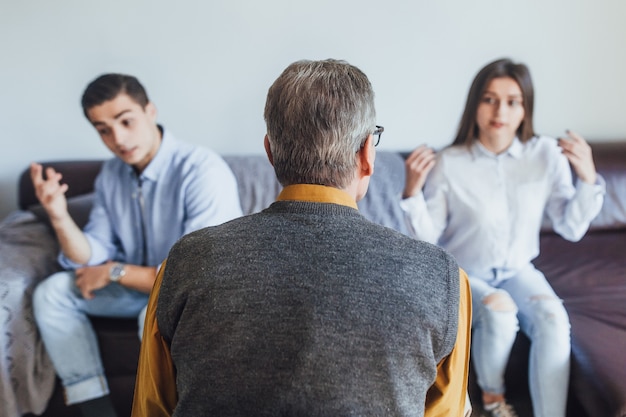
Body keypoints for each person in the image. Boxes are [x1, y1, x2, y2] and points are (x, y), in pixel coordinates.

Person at [131, 59, 472, 417]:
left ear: (271, 153)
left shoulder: (184, 262)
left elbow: (151, 410)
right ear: (366, 154)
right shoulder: (443, 277)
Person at [401, 58, 605, 417]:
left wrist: (587, 178)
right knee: (499, 311)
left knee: (554, 320)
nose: (501, 111)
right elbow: (427, 239)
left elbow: (571, 228)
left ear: (525, 107)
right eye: (490, 99)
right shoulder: (449, 162)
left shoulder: (546, 155)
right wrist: (412, 192)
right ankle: (493, 402)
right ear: (475, 104)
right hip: (467, 274)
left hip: (518, 270)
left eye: (513, 101)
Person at [31, 73, 243, 417]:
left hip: (187, 294)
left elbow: (196, 273)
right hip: (136, 288)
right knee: (52, 292)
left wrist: (115, 271)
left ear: (150, 111)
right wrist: (58, 215)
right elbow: (90, 253)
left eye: (126, 121)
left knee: (153, 314)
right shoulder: (111, 176)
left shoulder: (202, 169)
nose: (118, 139)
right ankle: (95, 409)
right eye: (103, 130)